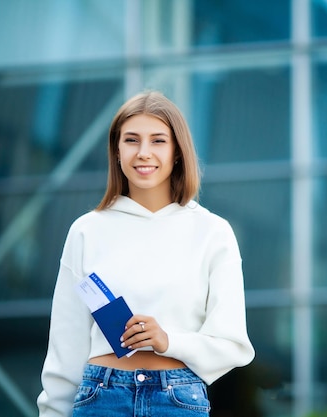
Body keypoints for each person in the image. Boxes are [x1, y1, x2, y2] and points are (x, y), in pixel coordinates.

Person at [37, 90, 255, 417]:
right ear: (116, 150)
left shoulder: (214, 232)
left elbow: (233, 345)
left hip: (178, 399)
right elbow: (65, 347)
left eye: (158, 141)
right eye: (131, 140)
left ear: (178, 152)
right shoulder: (86, 230)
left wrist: (168, 341)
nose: (143, 153)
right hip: (101, 398)